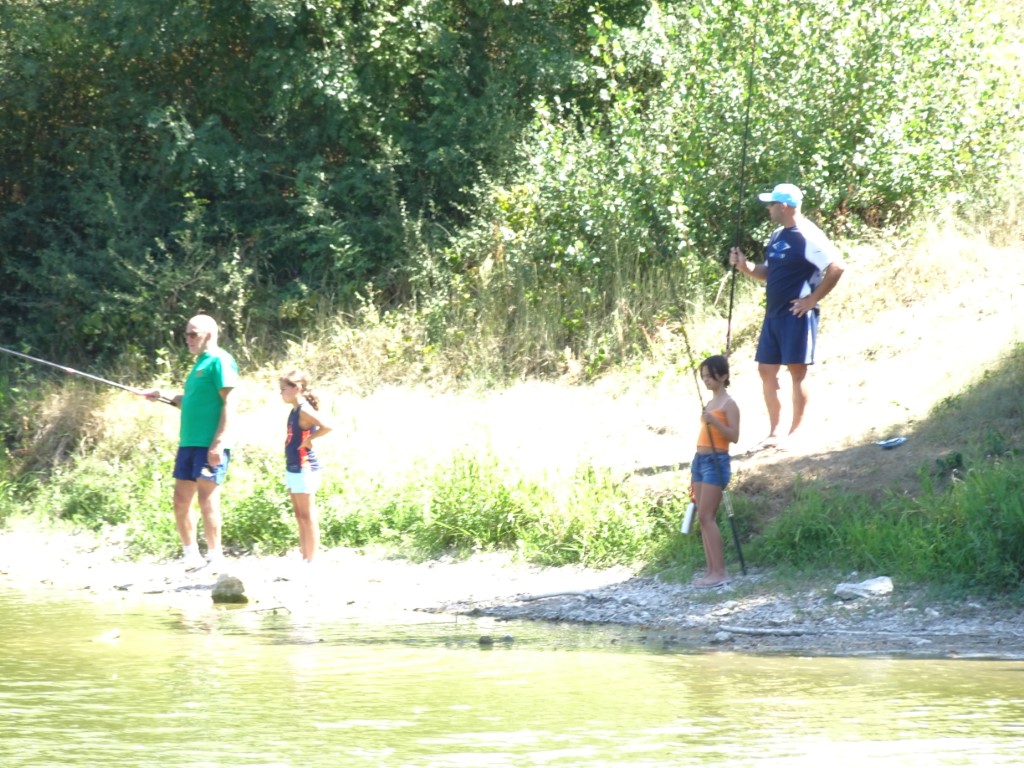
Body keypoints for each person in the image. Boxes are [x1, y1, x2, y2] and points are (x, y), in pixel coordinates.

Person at [729, 183, 845, 450]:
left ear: (783, 206)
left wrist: (812, 300)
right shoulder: (777, 236)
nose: (768, 208)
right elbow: (768, 272)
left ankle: (797, 432)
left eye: (771, 204)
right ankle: (774, 433)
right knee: (765, 370)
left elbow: (837, 266)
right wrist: (744, 266)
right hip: (773, 314)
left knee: (797, 371)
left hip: (797, 314)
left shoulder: (808, 234)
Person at [141, 314, 238, 571]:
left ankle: (215, 557)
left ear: (209, 334)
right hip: (189, 443)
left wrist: (218, 442)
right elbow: (191, 401)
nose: (188, 339)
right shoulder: (199, 365)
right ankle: (191, 555)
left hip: (209, 443)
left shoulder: (220, 361)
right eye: (186, 334)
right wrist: (162, 395)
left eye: (193, 334)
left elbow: (230, 402)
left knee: (207, 499)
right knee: (180, 500)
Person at [690, 355, 740, 588]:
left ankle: (720, 572)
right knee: (701, 517)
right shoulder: (710, 404)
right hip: (699, 461)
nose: (706, 380)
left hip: (716, 462)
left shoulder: (729, 404)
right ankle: (711, 570)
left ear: (723, 376)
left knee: (707, 516)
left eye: (710, 376)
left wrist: (714, 422)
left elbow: (734, 436)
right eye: (704, 377)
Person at [279, 369, 333, 565]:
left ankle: (311, 561)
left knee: (308, 517)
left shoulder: (304, 409)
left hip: (305, 468)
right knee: (300, 516)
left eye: (283, 389)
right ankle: (305, 559)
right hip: (293, 468)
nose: (281, 393)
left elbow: (327, 426)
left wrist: (310, 439)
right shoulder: (294, 410)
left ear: (297, 388)